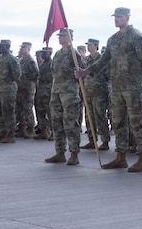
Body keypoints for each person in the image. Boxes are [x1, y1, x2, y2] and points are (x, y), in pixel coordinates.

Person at [77, 7, 142, 172]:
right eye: (115, 17)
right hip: (117, 87)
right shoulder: (113, 39)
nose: (116, 19)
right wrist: (86, 71)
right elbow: (104, 61)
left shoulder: (137, 37)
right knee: (118, 122)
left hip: (133, 87)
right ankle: (120, 156)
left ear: (127, 17)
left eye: (119, 16)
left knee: (137, 122)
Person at [45, 29, 83, 165]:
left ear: (69, 37)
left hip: (69, 94)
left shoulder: (74, 54)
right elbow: (53, 71)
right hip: (56, 92)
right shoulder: (57, 53)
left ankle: (74, 153)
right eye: (59, 36)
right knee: (56, 123)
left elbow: (81, 72)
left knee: (70, 124)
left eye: (62, 36)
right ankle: (60, 152)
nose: (60, 38)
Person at [80, 38, 111, 151]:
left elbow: (108, 74)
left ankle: (105, 141)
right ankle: (92, 140)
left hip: (99, 92)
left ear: (96, 46)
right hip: (88, 92)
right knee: (89, 117)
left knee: (100, 116)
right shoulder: (86, 59)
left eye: (91, 45)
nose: (88, 47)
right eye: (87, 45)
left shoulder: (101, 58)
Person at [0, 39, 21, 143]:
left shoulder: (12, 59)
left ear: (7, 47)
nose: (0, 48)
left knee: (8, 110)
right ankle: (2, 132)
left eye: (2, 46)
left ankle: (10, 134)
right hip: (0, 87)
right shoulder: (1, 59)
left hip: (8, 88)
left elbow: (17, 75)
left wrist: (10, 83)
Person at [17, 42, 39, 138]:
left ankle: (31, 128)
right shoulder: (21, 60)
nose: (22, 49)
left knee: (27, 108)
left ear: (28, 49)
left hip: (28, 88)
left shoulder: (30, 61)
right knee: (21, 108)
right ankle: (22, 128)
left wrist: (27, 81)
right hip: (21, 88)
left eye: (24, 47)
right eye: (21, 47)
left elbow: (35, 74)